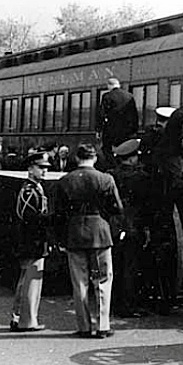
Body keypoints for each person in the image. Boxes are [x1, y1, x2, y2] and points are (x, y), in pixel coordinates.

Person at [52, 143, 123, 338]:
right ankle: (103, 325)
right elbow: (117, 208)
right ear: (95, 159)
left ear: (76, 159)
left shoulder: (65, 181)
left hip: (74, 235)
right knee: (102, 280)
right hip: (100, 234)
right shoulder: (106, 179)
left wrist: (61, 238)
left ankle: (83, 326)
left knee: (79, 282)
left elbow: (58, 214)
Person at [108, 138, 153, 318]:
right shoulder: (141, 178)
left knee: (117, 264)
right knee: (131, 266)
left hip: (116, 225)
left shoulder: (111, 175)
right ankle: (128, 305)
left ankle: (116, 303)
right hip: (134, 224)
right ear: (133, 158)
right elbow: (147, 204)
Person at [9, 151, 52, 332]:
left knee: (30, 280)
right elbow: (29, 218)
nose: (44, 171)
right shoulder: (29, 190)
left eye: (46, 168)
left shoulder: (36, 188)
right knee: (28, 280)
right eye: (40, 168)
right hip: (31, 241)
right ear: (30, 168)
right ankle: (22, 318)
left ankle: (25, 316)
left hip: (34, 241)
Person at [96, 77, 139, 165]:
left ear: (109, 86)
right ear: (118, 85)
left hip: (111, 131)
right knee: (126, 150)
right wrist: (134, 130)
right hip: (127, 131)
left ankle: (113, 166)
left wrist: (98, 130)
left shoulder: (107, 96)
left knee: (107, 149)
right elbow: (135, 115)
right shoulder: (129, 96)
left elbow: (101, 114)